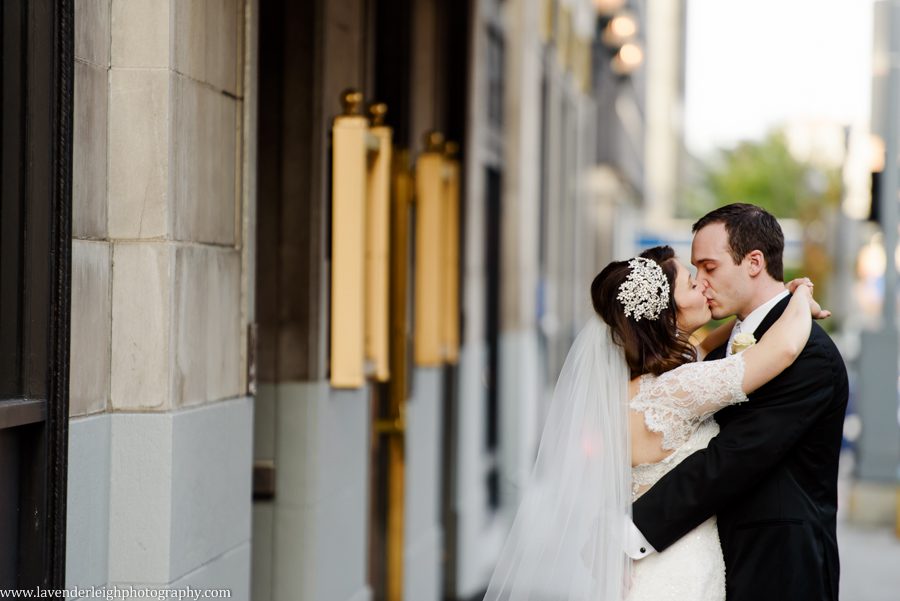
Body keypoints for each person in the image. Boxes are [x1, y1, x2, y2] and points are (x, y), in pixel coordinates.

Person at [482, 238, 829, 600]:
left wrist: (760, 307)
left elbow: (708, 345)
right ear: (668, 312)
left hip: (652, 563)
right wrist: (800, 295)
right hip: (681, 571)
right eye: (693, 284)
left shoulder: (640, 387)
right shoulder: (678, 388)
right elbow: (784, 349)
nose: (704, 285)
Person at [630, 204, 848, 601]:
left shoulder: (809, 354)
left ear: (753, 262)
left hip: (780, 570)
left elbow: (733, 456)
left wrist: (632, 527)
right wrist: (799, 296)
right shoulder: (718, 353)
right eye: (695, 272)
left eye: (709, 268)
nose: (702, 282)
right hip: (712, 561)